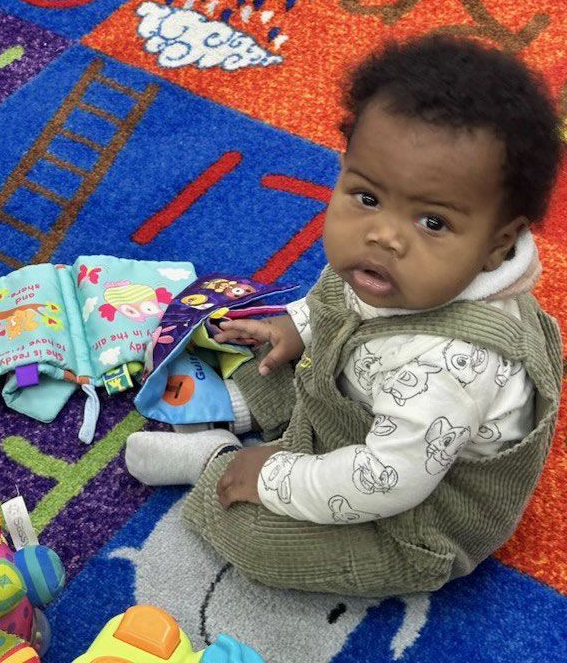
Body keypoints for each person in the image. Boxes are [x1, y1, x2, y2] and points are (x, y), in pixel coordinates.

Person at [126, 33, 563, 596]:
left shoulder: (453, 365)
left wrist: (273, 479)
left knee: (256, 538)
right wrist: (297, 327)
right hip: (374, 405)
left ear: (499, 244)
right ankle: (254, 416)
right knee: (278, 351)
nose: (383, 235)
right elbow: (335, 302)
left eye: (432, 222)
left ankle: (219, 460)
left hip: (413, 509)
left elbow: (386, 480)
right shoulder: (392, 273)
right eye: (368, 197)